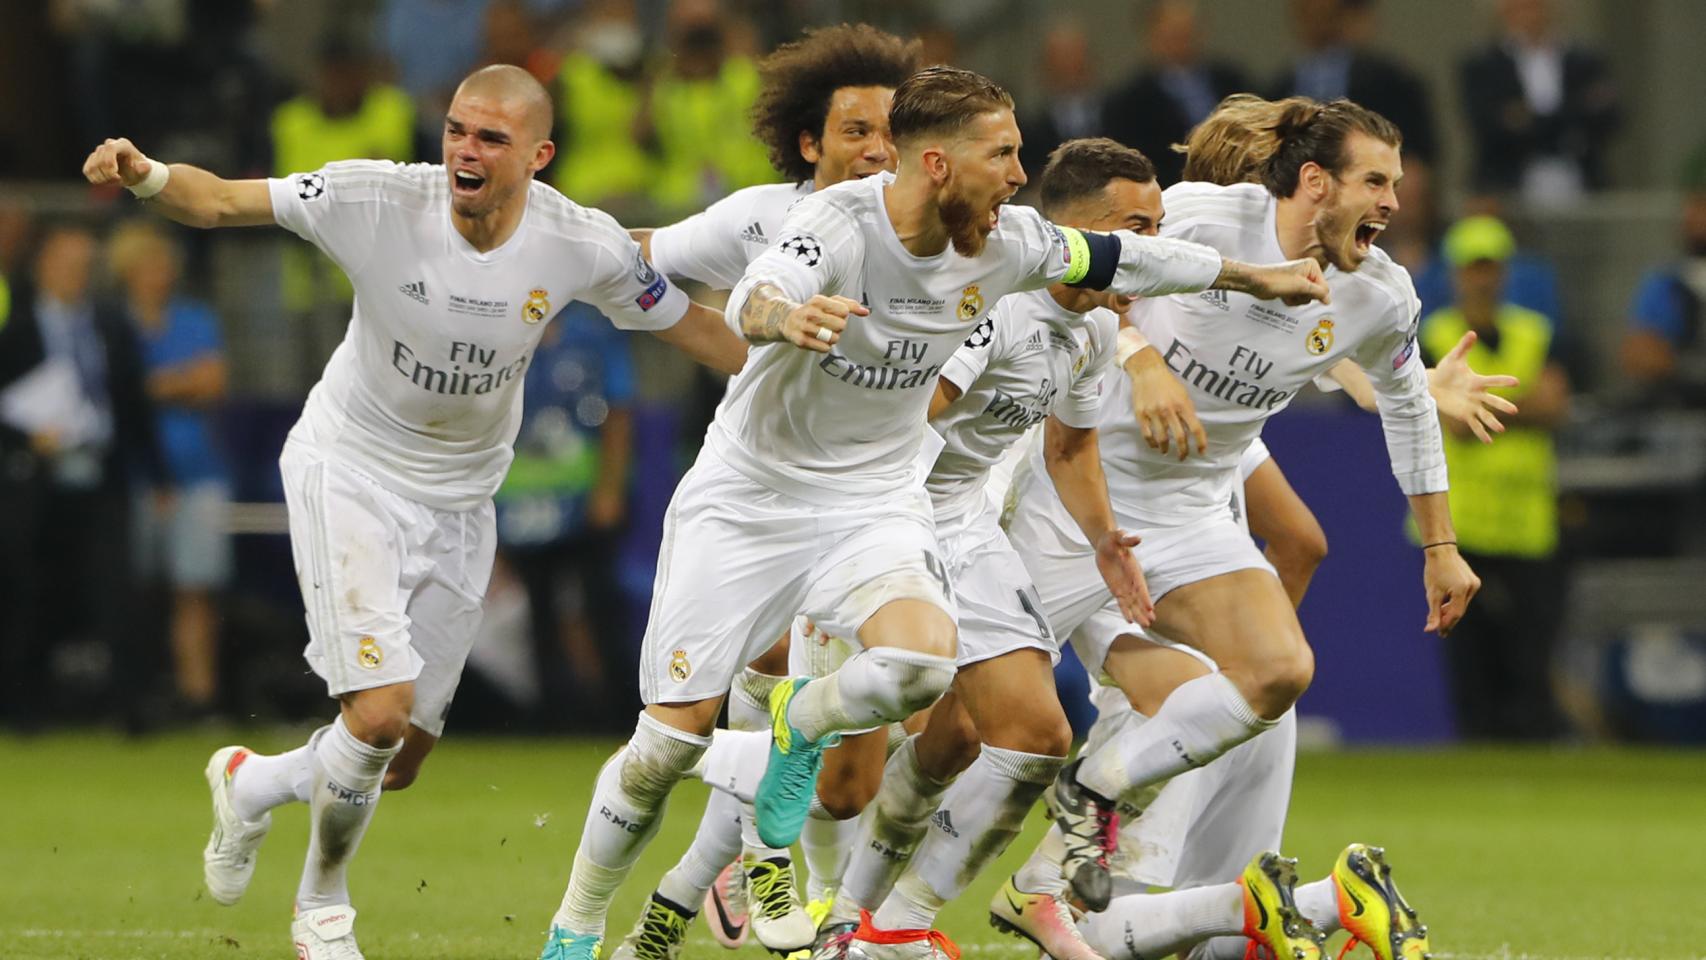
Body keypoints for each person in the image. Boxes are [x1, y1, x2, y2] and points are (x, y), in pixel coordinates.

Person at [538, 64, 1329, 960]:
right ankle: (579, 927)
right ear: (940, 165)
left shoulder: (1012, 248)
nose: (1018, 173)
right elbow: (765, 286)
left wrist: (1254, 277)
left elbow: (1128, 260)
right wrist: (779, 321)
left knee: (923, 668)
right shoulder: (836, 222)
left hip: (876, 504)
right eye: (1003, 153)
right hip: (751, 500)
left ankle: (845, 873)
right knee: (668, 747)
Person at [83, 63, 748, 960]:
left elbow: (691, 326)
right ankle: (322, 908)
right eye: (457, 132)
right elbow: (220, 205)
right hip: (349, 470)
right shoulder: (377, 200)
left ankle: (251, 782)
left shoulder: (576, 242)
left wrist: (806, 364)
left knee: (398, 761)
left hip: (461, 502)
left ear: (540, 156)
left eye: (491, 139)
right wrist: (146, 176)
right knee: (379, 711)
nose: (465, 153)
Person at [998, 93, 1476, 954]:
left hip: (1187, 512)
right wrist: (1139, 360)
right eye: (1377, 180)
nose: (1395, 202)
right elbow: (1080, 267)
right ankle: (890, 909)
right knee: (973, 735)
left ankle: (1100, 803)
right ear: (1316, 181)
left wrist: (1440, 548)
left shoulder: (1381, 295)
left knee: (1278, 674)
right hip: (1067, 495)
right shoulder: (1203, 216)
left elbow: (1405, 409)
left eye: (1397, 184)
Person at [615, 24, 922, 960]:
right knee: (765, 715)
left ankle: (681, 904)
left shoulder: (934, 227)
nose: (879, 150)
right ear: (810, 142)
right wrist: (705, 332)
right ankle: (793, 897)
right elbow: (641, 256)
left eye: (893, 132)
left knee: (850, 780)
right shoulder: (758, 219)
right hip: (766, 498)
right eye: (860, 131)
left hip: (890, 503)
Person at [817, 138, 1161, 960]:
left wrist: (1106, 539)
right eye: (1132, 228)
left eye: (1157, 228)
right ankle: (744, 889)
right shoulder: (996, 303)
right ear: (1074, 229)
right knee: (839, 785)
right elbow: (910, 410)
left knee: (1017, 735)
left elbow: (1070, 450)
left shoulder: (1095, 332)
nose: (1145, 250)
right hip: (885, 519)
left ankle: (879, 928)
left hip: (965, 529)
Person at [0, 223, 167, 732]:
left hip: (102, 474)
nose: (76, 274)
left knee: (116, 588)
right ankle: (19, 705)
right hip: (31, 479)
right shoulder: (15, 322)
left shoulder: (109, 322)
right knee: (24, 590)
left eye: (84, 265)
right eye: (66, 263)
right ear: (43, 266)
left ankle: (129, 708)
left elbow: (134, 403)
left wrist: (157, 475)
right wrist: (24, 438)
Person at [1421, 215, 1570, 740]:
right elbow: (1459, 424)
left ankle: (1530, 742)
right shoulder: (1433, 332)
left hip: (1529, 518)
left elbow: (1557, 405)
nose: (1483, 277)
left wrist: (1489, 406)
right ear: (1457, 273)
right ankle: (1479, 746)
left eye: (1491, 266)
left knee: (1531, 648)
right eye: (1473, 266)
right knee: (1471, 655)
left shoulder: (1535, 328)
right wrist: (1526, 404)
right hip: (1461, 524)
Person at [109, 219, 234, 721]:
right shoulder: (113, 321)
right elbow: (116, 393)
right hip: (135, 475)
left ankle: (197, 697)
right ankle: (137, 695)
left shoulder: (194, 319)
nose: (159, 275)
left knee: (196, 589)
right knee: (136, 591)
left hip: (198, 473)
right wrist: (175, 384)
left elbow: (213, 383)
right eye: (148, 266)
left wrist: (149, 388)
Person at [494, 301, 638, 732]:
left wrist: (609, 489)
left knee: (601, 608)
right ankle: (553, 720)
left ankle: (621, 714)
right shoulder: (501, 335)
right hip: (522, 507)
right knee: (538, 614)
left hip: (584, 502)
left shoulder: (592, 336)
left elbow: (619, 412)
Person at [1459, 0, 1620, 204]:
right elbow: (1486, 125)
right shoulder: (1482, 65)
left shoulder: (1586, 61)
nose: (1530, 13)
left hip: (1581, 186)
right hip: (1508, 189)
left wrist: (1527, 119)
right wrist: (1572, 118)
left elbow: (1608, 118)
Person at [1100, 0, 1250, 187]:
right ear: (1151, 35)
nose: (1181, 39)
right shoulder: (1127, 105)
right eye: (1172, 33)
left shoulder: (1233, 82)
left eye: (1186, 31)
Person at [1621, 173, 1706, 408]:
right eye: (1693, 209)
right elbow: (1639, 356)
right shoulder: (1667, 281)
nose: (1697, 218)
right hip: (1682, 401)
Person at [1015, 23, 1105, 190]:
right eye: (1060, 59)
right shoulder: (1028, 132)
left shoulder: (1122, 117)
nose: (1069, 66)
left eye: (1075, 57)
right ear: (1044, 69)